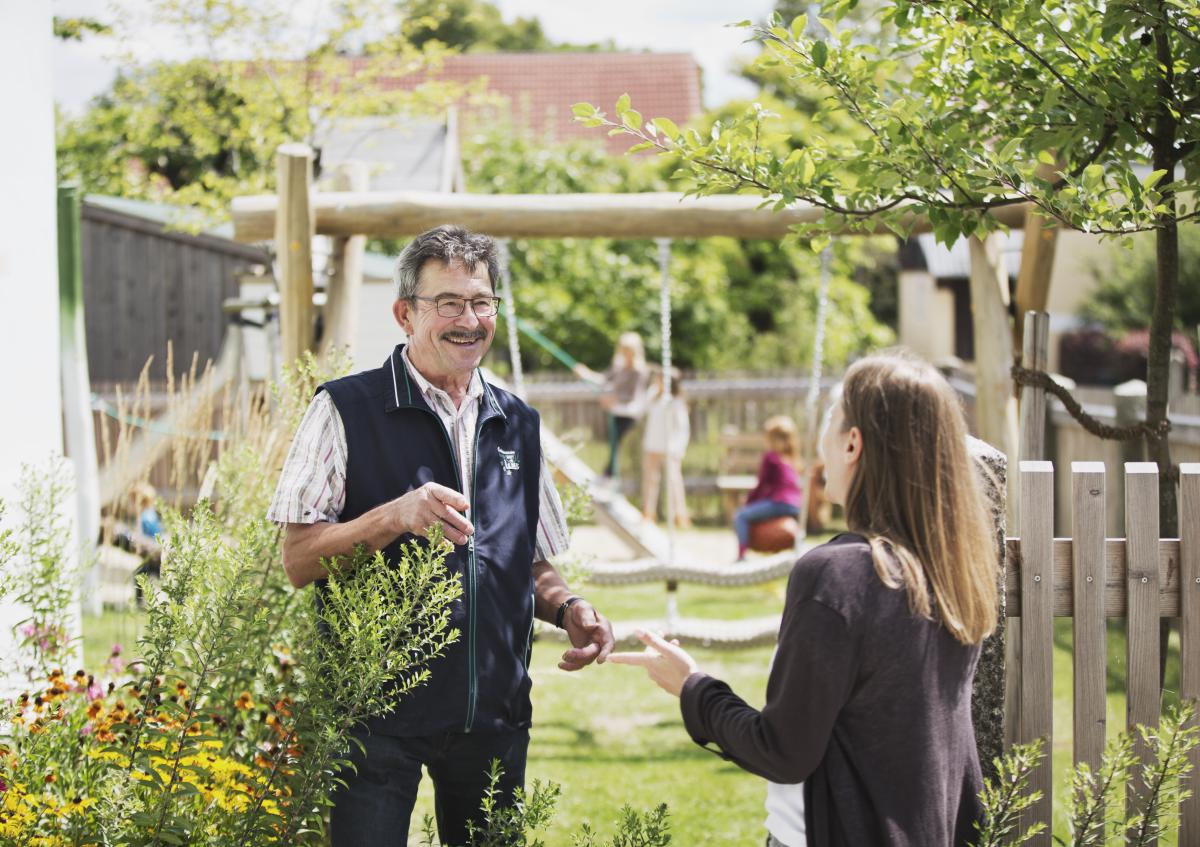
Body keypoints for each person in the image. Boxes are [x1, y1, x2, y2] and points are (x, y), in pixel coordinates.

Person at [267, 225, 615, 847]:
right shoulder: (345, 409)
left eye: (482, 302)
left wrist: (570, 607)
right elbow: (297, 559)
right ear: (405, 313)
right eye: (448, 302)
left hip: (494, 715)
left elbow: (529, 564)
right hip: (375, 718)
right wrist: (394, 517)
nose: (469, 319)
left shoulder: (519, 423)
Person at [610, 352, 999, 847]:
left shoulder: (839, 576)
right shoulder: (954, 571)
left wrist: (692, 688)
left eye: (832, 424)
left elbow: (784, 750)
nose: (821, 447)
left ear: (853, 443)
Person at [573, 331, 648, 481]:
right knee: (612, 442)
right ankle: (610, 474)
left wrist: (614, 398)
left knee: (618, 443)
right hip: (616, 410)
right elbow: (604, 380)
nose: (626, 354)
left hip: (628, 412)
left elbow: (632, 395)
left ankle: (611, 475)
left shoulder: (639, 370)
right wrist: (586, 374)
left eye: (629, 351)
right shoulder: (619, 366)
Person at [733, 415, 803, 560]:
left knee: (741, 516)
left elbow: (761, 485)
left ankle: (741, 555)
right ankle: (799, 549)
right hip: (795, 504)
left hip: (780, 502)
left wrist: (748, 502)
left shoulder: (771, 457)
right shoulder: (792, 459)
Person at [640, 366, 691, 527]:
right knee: (650, 480)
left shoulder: (676, 402)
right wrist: (654, 388)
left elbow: (683, 428)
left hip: (670, 447)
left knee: (674, 480)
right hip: (653, 444)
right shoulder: (654, 398)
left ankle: (680, 514)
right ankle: (648, 512)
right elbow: (642, 407)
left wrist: (678, 448)